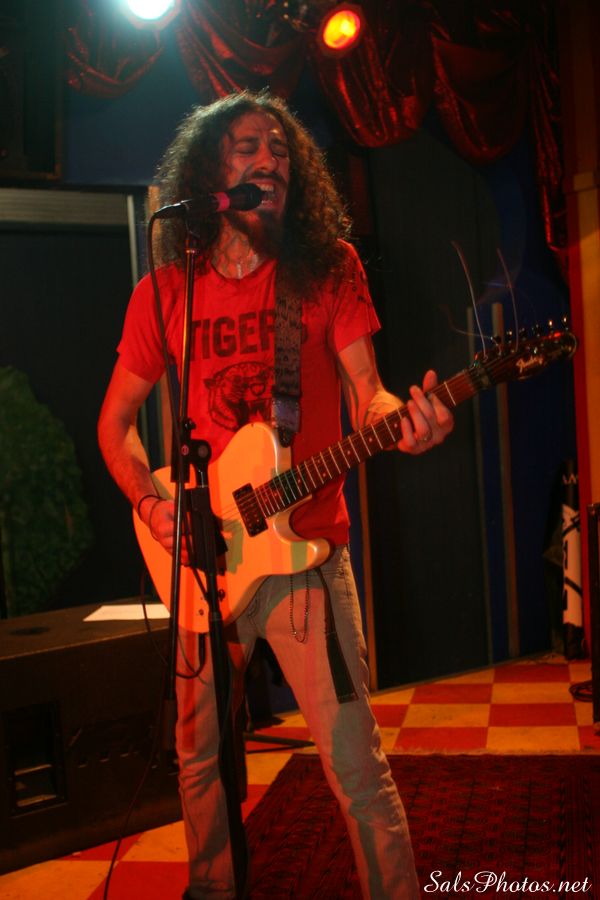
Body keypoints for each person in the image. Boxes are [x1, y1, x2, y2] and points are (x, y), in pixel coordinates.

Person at [98, 89, 454, 900]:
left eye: (282, 148)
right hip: (201, 561)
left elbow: (369, 394)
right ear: (210, 176)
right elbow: (114, 426)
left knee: (355, 763)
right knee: (199, 761)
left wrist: (405, 420)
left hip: (307, 559)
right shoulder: (166, 291)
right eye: (250, 146)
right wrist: (153, 506)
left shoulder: (327, 269)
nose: (272, 159)